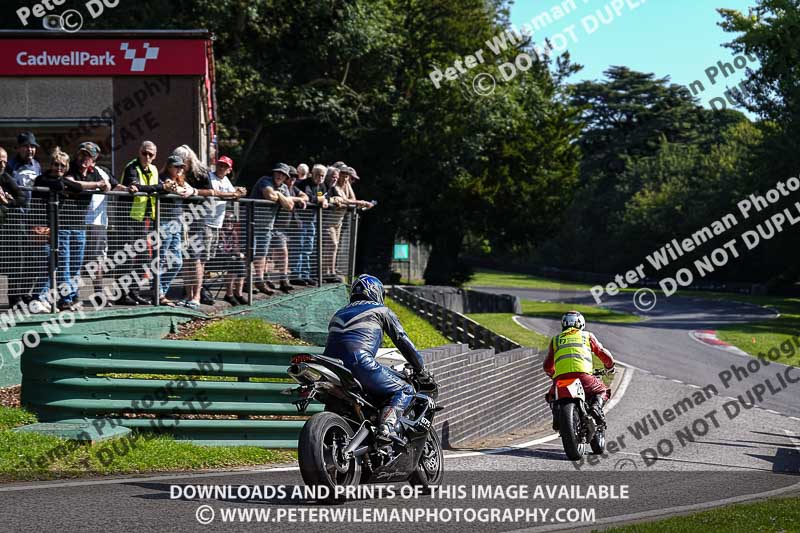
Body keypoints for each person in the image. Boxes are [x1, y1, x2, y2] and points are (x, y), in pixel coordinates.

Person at [323, 274, 434, 441]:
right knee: (405, 389)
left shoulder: (339, 313)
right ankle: (387, 428)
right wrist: (421, 369)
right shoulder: (381, 310)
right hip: (359, 364)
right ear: (377, 292)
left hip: (331, 366)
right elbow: (403, 341)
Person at [182, 155, 245, 309]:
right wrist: (233, 194)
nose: (221, 167)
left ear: (229, 170)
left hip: (216, 225)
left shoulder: (227, 182)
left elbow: (235, 195)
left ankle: (193, 296)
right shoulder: (208, 176)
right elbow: (211, 192)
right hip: (202, 222)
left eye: (225, 166)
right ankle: (193, 296)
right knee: (195, 259)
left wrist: (241, 192)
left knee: (202, 260)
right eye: (220, 164)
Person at [69, 142, 124, 301]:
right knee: (75, 258)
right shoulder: (71, 169)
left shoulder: (103, 171)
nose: (84, 158)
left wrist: (132, 189)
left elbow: (116, 186)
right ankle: (73, 294)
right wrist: (98, 185)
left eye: (88, 155)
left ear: (95, 158)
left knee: (98, 259)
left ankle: (99, 294)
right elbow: (73, 184)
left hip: (99, 222)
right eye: (82, 154)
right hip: (76, 220)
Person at [32, 147, 85, 312]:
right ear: (50, 164)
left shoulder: (61, 179)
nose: (59, 168)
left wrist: (65, 184)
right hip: (43, 228)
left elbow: (78, 188)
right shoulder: (41, 179)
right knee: (52, 264)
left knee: (55, 264)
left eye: (62, 165)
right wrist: (64, 185)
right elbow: (58, 184)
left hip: (56, 228)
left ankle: (45, 298)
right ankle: (40, 298)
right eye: (56, 164)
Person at [543, 311, 615, 430]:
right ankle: (596, 407)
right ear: (581, 324)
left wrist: (553, 375)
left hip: (561, 379)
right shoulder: (587, 336)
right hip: (584, 377)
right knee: (602, 390)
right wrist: (610, 366)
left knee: (551, 396)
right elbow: (601, 352)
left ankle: (557, 415)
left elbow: (547, 365)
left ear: (563, 324)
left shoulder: (556, 340)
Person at [117, 140, 162, 305]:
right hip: (127, 217)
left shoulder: (154, 169)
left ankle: (134, 291)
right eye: (145, 153)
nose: (147, 157)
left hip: (144, 218)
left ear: (155, 156)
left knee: (144, 256)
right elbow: (135, 186)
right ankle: (122, 294)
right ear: (139, 152)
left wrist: (157, 187)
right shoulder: (132, 167)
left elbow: (156, 186)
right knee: (126, 257)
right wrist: (158, 187)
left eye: (151, 154)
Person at [249, 163, 303, 295]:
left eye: (283, 174)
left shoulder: (284, 187)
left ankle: (260, 281)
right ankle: (246, 283)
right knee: (249, 254)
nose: (280, 176)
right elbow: (270, 196)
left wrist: (279, 194)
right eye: (278, 173)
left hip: (268, 225)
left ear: (286, 177)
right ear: (273, 173)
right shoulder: (264, 180)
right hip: (251, 223)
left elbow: (289, 206)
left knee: (261, 254)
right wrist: (279, 195)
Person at [6, 132, 42, 308]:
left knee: (33, 257)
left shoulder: (37, 165)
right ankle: (14, 297)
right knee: (17, 258)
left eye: (33, 146)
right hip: (15, 217)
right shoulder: (10, 166)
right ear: (18, 148)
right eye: (26, 146)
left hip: (32, 217)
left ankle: (27, 292)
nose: (30, 150)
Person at [157, 155, 196, 306]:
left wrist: (190, 191)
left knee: (177, 262)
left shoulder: (181, 180)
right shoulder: (162, 178)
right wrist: (182, 191)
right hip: (164, 223)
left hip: (178, 224)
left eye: (181, 167)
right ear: (168, 166)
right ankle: (159, 295)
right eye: (176, 166)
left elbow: (190, 190)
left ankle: (161, 292)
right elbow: (171, 188)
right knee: (160, 261)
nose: (179, 169)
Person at [296, 164, 329, 286]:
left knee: (308, 249)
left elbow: (321, 197)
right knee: (299, 247)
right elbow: (309, 197)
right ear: (312, 174)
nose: (320, 178)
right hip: (300, 220)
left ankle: (305, 274)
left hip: (311, 221)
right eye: (318, 175)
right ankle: (296, 275)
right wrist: (321, 200)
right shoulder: (305, 184)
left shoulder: (322, 186)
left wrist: (323, 200)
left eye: (322, 176)